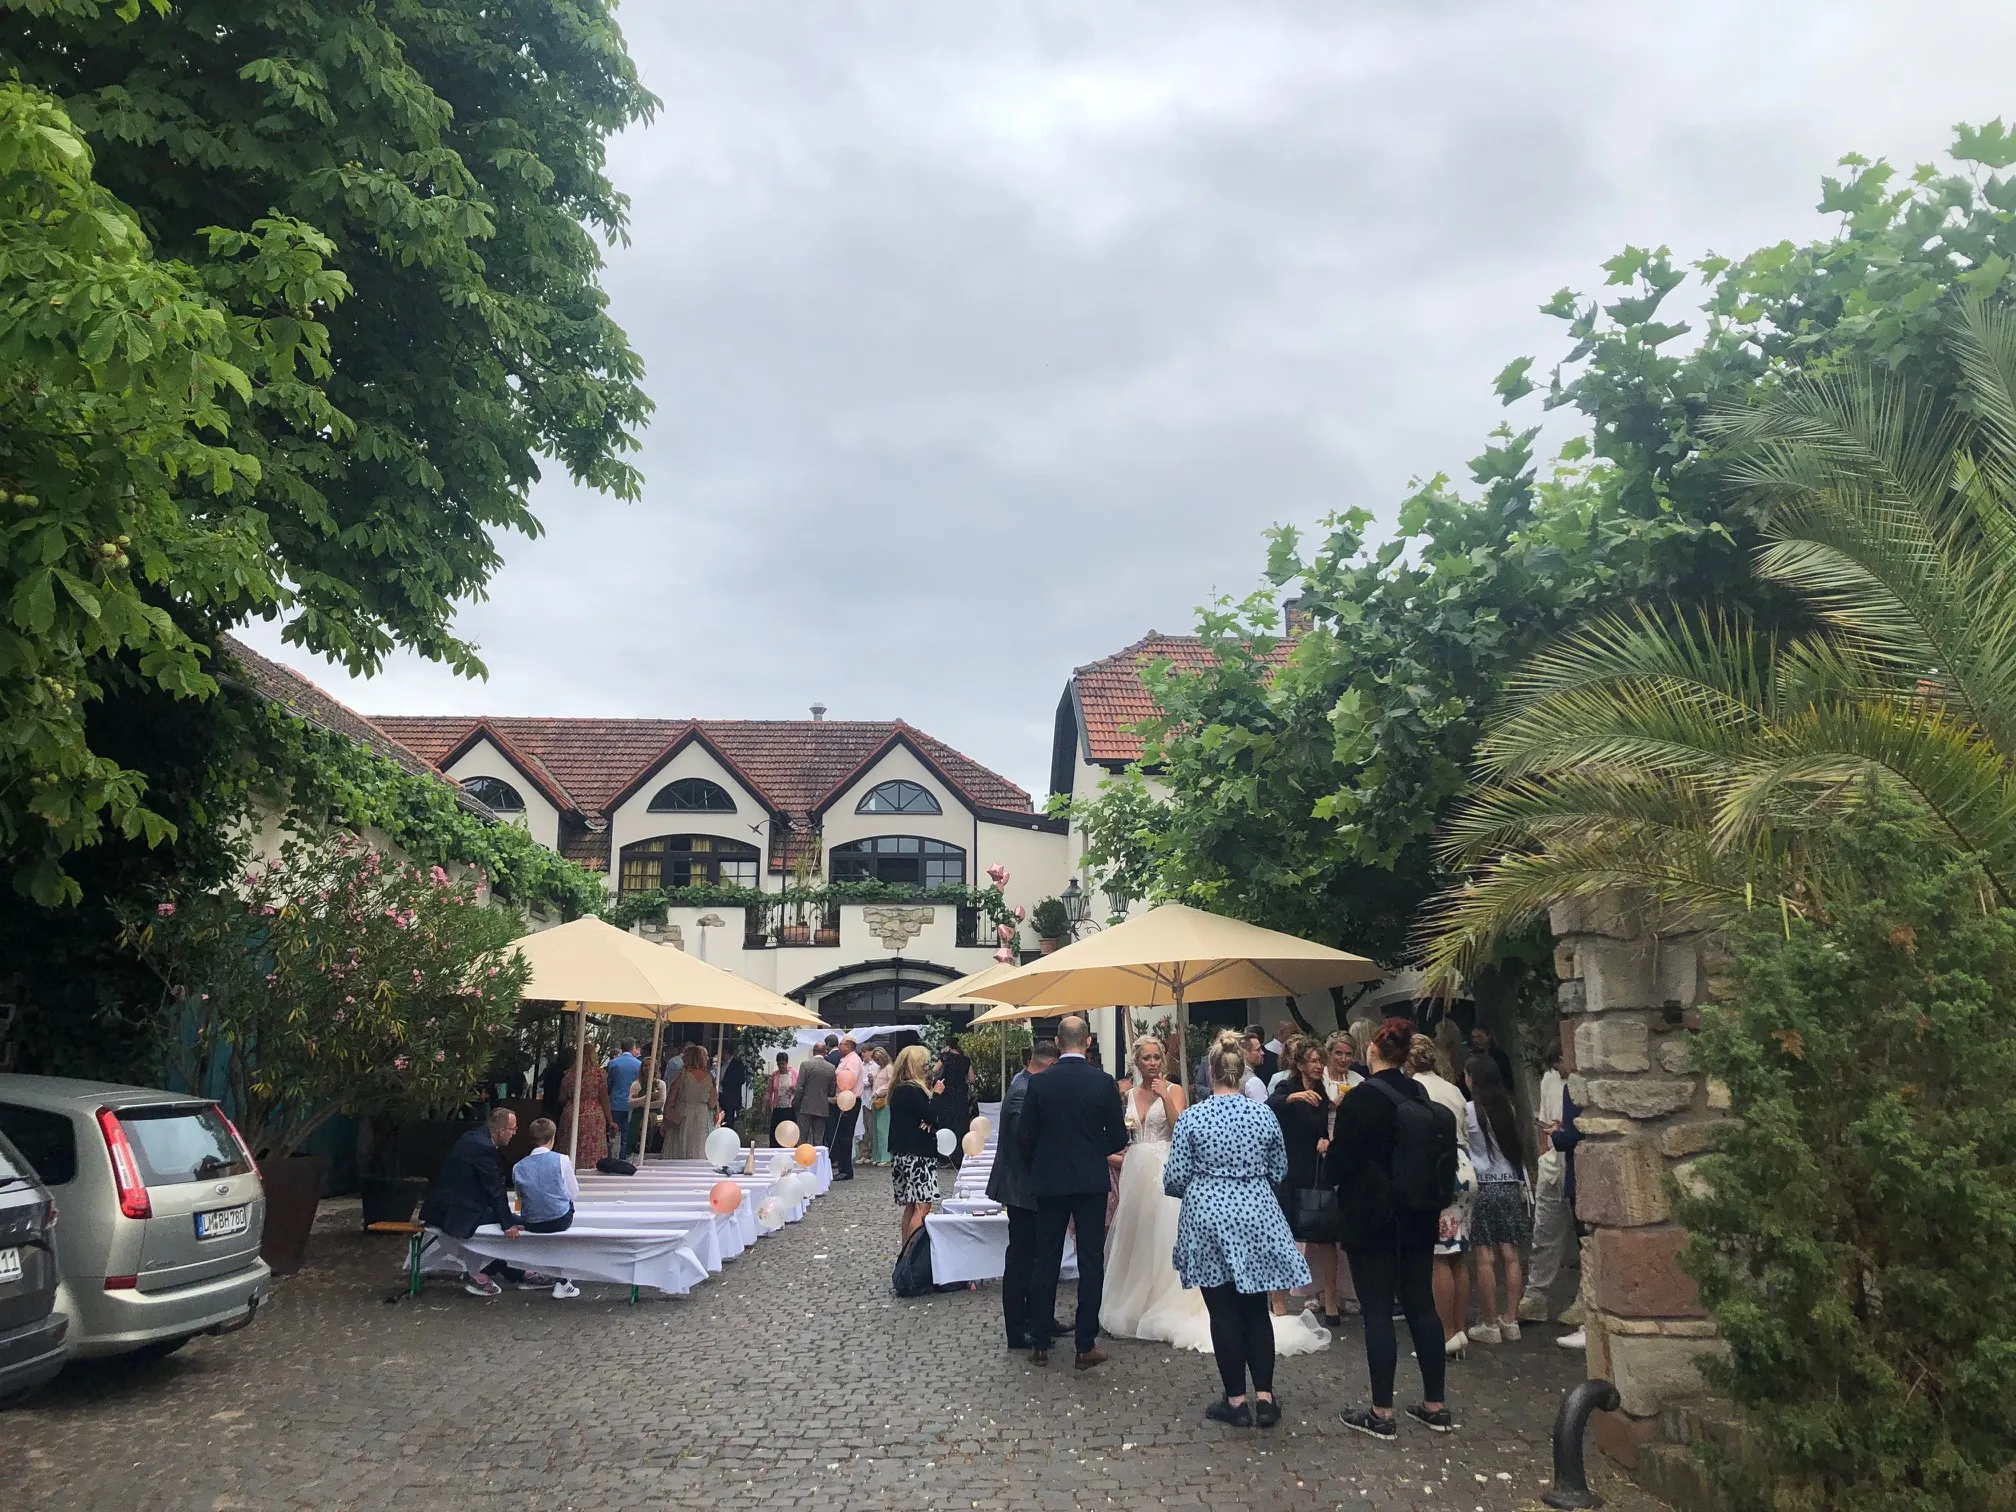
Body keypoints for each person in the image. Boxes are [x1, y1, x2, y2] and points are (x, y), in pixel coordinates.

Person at [1164, 1031, 1313, 1429]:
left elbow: (1175, 1177)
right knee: (1255, 1308)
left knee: (1223, 1311)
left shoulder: (1193, 1116)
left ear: (1212, 1072)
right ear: (1241, 1071)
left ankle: (1235, 1401)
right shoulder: (1263, 1114)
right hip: (1256, 1213)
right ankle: (1265, 1397)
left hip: (1207, 1215)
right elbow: (1279, 1168)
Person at [1327, 1017, 1456, 1439]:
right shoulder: (1418, 1093)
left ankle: (1382, 1411)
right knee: (1421, 1305)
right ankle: (1435, 1405)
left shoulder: (1360, 1099)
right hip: (1419, 1212)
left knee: (1378, 1310)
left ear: (1372, 1051)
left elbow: (1338, 1166)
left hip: (1372, 1217)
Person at [1016, 1015, 1128, 1369]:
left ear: (1057, 1042)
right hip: (1090, 1180)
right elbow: (1118, 1137)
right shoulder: (1102, 1082)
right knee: (1090, 1259)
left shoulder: (1039, 1083)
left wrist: (1045, 1156)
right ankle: (1085, 1344)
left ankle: (1040, 1341)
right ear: (1088, 1041)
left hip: (1050, 1180)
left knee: (1045, 1258)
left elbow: (1024, 1135)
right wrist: (1093, 1149)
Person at [418, 1107, 552, 1297]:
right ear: (501, 1131)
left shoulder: (475, 1137)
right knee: (515, 1226)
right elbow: (495, 1188)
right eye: (513, 1129)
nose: (514, 1133)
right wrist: (507, 1223)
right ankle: (504, 1273)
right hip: (455, 1211)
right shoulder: (483, 1148)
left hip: (445, 1206)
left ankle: (511, 1273)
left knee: (507, 1221)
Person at [1406, 1034, 1476, 1359]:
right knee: (1458, 1253)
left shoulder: (1414, 1089)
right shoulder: (1453, 1089)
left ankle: (1444, 1333)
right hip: (1465, 1166)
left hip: (1440, 1168)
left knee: (1437, 1255)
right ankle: (1459, 1328)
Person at [988, 1038, 1060, 1349]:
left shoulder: (1025, 1082)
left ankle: (1040, 1316)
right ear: (1049, 1065)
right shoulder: (1023, 1090)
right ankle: (1018, 1329)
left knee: (1034, 1256)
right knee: (1022, 1259)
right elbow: (1025, 1141)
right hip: (1022, 1189)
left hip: (1027, 1187)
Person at [1268, 1036, 1340, 1324]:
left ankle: (1331, 1299)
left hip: (1315, 1170)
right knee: (1282, 1235)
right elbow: (1270, 1105)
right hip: (1289, 1170)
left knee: (1326, 1236)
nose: (1319, 1066)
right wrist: (1294, 1097)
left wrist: (1325, 1140)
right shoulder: (1286, 1087)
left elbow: (1322, 1129)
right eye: (1313, 1061)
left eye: (1321, 1061)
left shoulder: (1322, 1093)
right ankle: (1278, 1298)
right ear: (1300, 1064)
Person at [1462, 1054, 1531, 1346]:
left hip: (1482, 1185)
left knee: (1484, 1256)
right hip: (1509, 1184)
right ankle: (1511, 1319)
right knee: (1511, 1253)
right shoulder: (1508, 1108)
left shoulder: (1468, 1111)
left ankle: (1489, 1323)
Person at [1520, 1046, 1573, 1323]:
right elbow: (1543, 1120)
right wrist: (1543, 1156)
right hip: (1552, 1163)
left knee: (1584, 1234)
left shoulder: (1580, 1081)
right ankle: (1535, 1297)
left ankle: (1584, 1298)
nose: (1559, 1067)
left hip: (1574, 1161)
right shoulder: (1549, 1079)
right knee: (1544, 1232)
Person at [511, 1117, 582, 1298]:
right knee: (567, 1203)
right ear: (552, 1139)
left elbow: (519, 1198)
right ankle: (562, 1281)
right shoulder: (562, 1160)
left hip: (532, 1222)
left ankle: (558, 1279)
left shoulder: (518, 1167)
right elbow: (573, 1193)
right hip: (559, 1219)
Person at [887, 1044, 940, 1247]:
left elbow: (925, 1117)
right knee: (922, 1206)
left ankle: (906, 1251)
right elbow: (931, 1114)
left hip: (901, 1151)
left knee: (911, 1204)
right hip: (918, 1153)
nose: (927, 1067)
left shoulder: (898, 1090)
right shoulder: (912, 1090)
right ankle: (912, 1252)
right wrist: (937, 1095)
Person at [557, 1040, 612, 1169]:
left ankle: (569, 1171)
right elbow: (604, 1098)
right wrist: (610, 1120)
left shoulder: (569, 1074)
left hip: (570, 1112)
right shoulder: (599, 1074)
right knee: (592, 1148)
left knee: (569, 1146)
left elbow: (561, 1098)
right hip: (593, 1114)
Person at [665, 1043, 720, 1160]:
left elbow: (670, 1100)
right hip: (701, 1116)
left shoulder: (681, 1075)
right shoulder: (710, 1077)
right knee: (699, 1146)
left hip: (682, 1114)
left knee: (679, 1148)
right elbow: (712, 1103)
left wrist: (666, 1119)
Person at [829, 1036, 864, 1180]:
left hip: (850, 1100)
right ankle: (843, 1166)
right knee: (842, 1135)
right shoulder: (846, 1059)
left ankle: (846, 1169)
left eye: (841, 1044)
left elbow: (849, 1079)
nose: (839, 1047)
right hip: (844, 1099)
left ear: (849, 1046)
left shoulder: (853, 1060)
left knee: (845, 1135)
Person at [934, 1040, 972, 1161]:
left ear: (949, 1046)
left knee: (946, 1123)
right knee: (960, 1124)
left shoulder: (945, 1057)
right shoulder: (966, 1060)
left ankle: (944, 1157)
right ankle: (959, 1156)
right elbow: (972, 1078)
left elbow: (935, 1070)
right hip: (961, 1095)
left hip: (946, 1094)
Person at [794, 1043, 837, 1146]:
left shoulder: (805, 1065)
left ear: (814, 1052)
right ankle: (817, 1156)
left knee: (802, 1138)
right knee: (818, 1139)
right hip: (822, 1107)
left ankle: (802, 1156)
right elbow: (832, 1091)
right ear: (825, 1053)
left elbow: (799, 1088)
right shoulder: (831, 1068)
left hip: (805, 1106)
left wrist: (796, 1103)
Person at [605, 1040, 641, 1159]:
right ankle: (623, 1157)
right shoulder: (638, 1064)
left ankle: (611, 1157)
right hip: (631, 1103)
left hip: (615, 1102)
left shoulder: (613, 1063)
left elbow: (609, 1084)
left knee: (613, 1132)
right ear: (632, 1047)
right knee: (626, 1133)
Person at [863, 1047, 893, 1165]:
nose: (876, 1062)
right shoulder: (880, 1068)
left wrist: (878, 1091)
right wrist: (871, 1079)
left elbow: (890, 1084)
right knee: (875, 1130)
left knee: (882, 1130)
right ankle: (877, 1156)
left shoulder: (889, 1068)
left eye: (878, 1059)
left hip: (884, 1101)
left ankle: (885, 1157)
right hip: (875, 1100)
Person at [764, 1052, 797, 1145]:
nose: (781, 1066)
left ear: (787, 1063)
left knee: (788, 1130)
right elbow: (769, 1090)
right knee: (775, 1131)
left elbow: (800, 1090)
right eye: (779, 1064)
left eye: (783, 1064)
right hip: (777, 1107)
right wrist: (769, 1103)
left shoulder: (794, 1074)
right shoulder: (775, 1075)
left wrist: (794, 1089)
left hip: (790, 1107)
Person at [1471, 1025, 1515, 1093]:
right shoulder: (1475, 1056)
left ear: (1489, 1036)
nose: (1476, 1040)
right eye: (1474, 1037)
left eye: (1479, 1036)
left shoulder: (1499, 1054)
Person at [1322, 1032, 1362, 1105]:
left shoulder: (1359, 1081)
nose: (1343, 1059)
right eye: (1339, 1053)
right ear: (1329, 1053)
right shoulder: (1319, 1078)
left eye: (1348, 1054)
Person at [718, 1041, 750, 1131]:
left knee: (728, 1121)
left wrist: (725, 1080)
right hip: (721, 1096)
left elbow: (741, 1080)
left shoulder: (737, 1064)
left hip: (730, 1098)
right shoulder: (722, 1064)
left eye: (722, 1052)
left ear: (726, 1052)